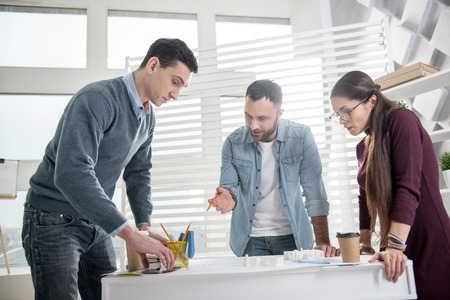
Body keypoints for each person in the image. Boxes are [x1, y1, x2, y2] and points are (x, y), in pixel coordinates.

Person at [22, 38, 198, 300]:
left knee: (110, 295)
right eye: (175, 82)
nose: (176, 94)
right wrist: (128, 234)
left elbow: (139, 173)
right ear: (153, 65)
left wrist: (144, 226)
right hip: (52, 219)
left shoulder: (147, 118)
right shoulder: (97, 99)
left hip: (96, 222)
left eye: (182, 87)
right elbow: (72, 174)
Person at [329, 70, 450, 299]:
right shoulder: (363, 146)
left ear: (372, 101)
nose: (342, 120)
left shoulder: (402, 120)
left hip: (427, 239)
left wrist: (395, 246)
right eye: (337, 115)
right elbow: (364, 197)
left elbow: (408, 186)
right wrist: (364, 243)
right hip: (394, 241)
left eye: (346, 112)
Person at [208, 79, 338, 257]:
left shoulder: (301, 137)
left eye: (262, 118)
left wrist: (323, 241)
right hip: (250, 239)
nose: (253, 125)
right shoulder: (233, 142)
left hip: (293, 236)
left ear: (279, 113)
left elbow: (314, 190)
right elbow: (229, 187)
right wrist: (229, 198)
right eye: (248, 116)